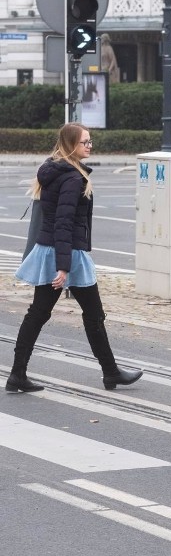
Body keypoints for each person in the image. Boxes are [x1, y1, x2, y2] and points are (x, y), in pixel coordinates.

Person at [7, 123, 143, 393]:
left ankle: (18, 374)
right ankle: (110, 372)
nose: (89, 146)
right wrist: (63, 267)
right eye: (85, 142)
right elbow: (64, 222)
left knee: (42, 313)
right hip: (67, 253)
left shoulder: (55, 170)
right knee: (89, 315)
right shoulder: (71, 178)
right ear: (71, 145)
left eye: (91, 142)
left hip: (56, 250)